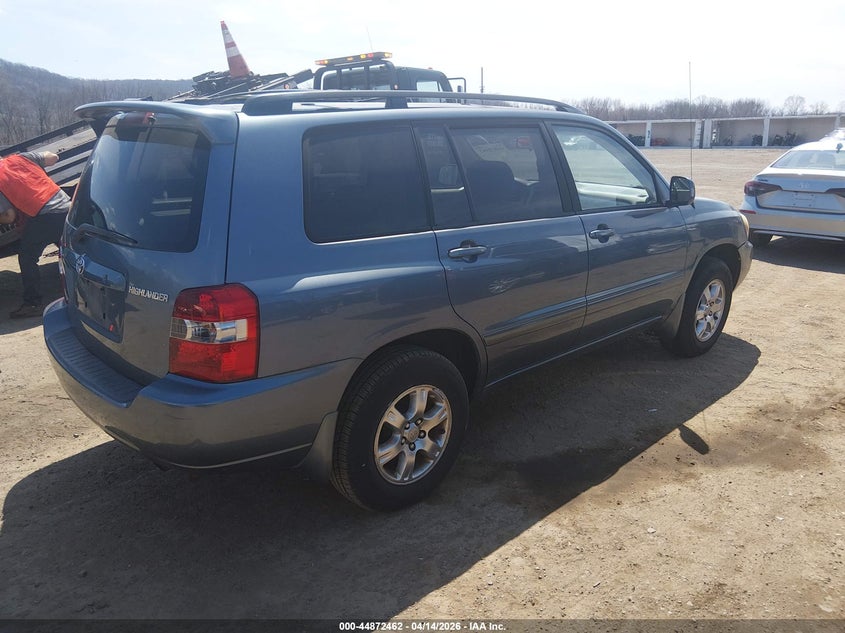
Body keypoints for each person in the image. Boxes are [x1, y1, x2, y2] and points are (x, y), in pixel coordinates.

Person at [0, 150, 71, 318]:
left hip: (44, 215)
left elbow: (9, 216)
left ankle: (33, 303)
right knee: (68, 250)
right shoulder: (21, 158)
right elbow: (53, 157)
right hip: (67, 207)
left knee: (27, 257)